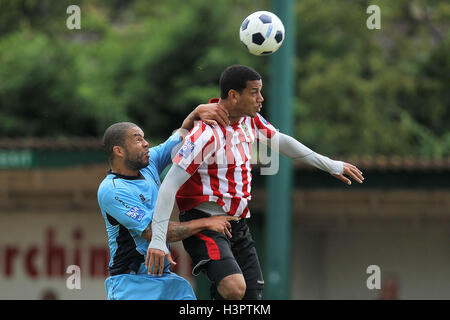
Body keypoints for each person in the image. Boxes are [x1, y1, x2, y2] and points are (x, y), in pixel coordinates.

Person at [146, 65, 365, 300]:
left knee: (251, 297)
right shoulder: (206, 133)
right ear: (233, 95)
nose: (261, 99)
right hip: (205, 221)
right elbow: (169, 185)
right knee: (233, 287)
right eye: (254, 92)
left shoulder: (249, 121)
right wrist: (158, 241)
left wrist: (331, 165)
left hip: (237, 225)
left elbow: (281, 141)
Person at [97, 104, 237, 300]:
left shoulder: (150, 163)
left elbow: (181, 135)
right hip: (132, 284)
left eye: (144, 138)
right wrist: (206, 223)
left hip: (166, 280)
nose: (146, 144)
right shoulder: (112, 190)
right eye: (138, 140)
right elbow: (152, 231)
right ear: (119, 151)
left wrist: (197, 112)